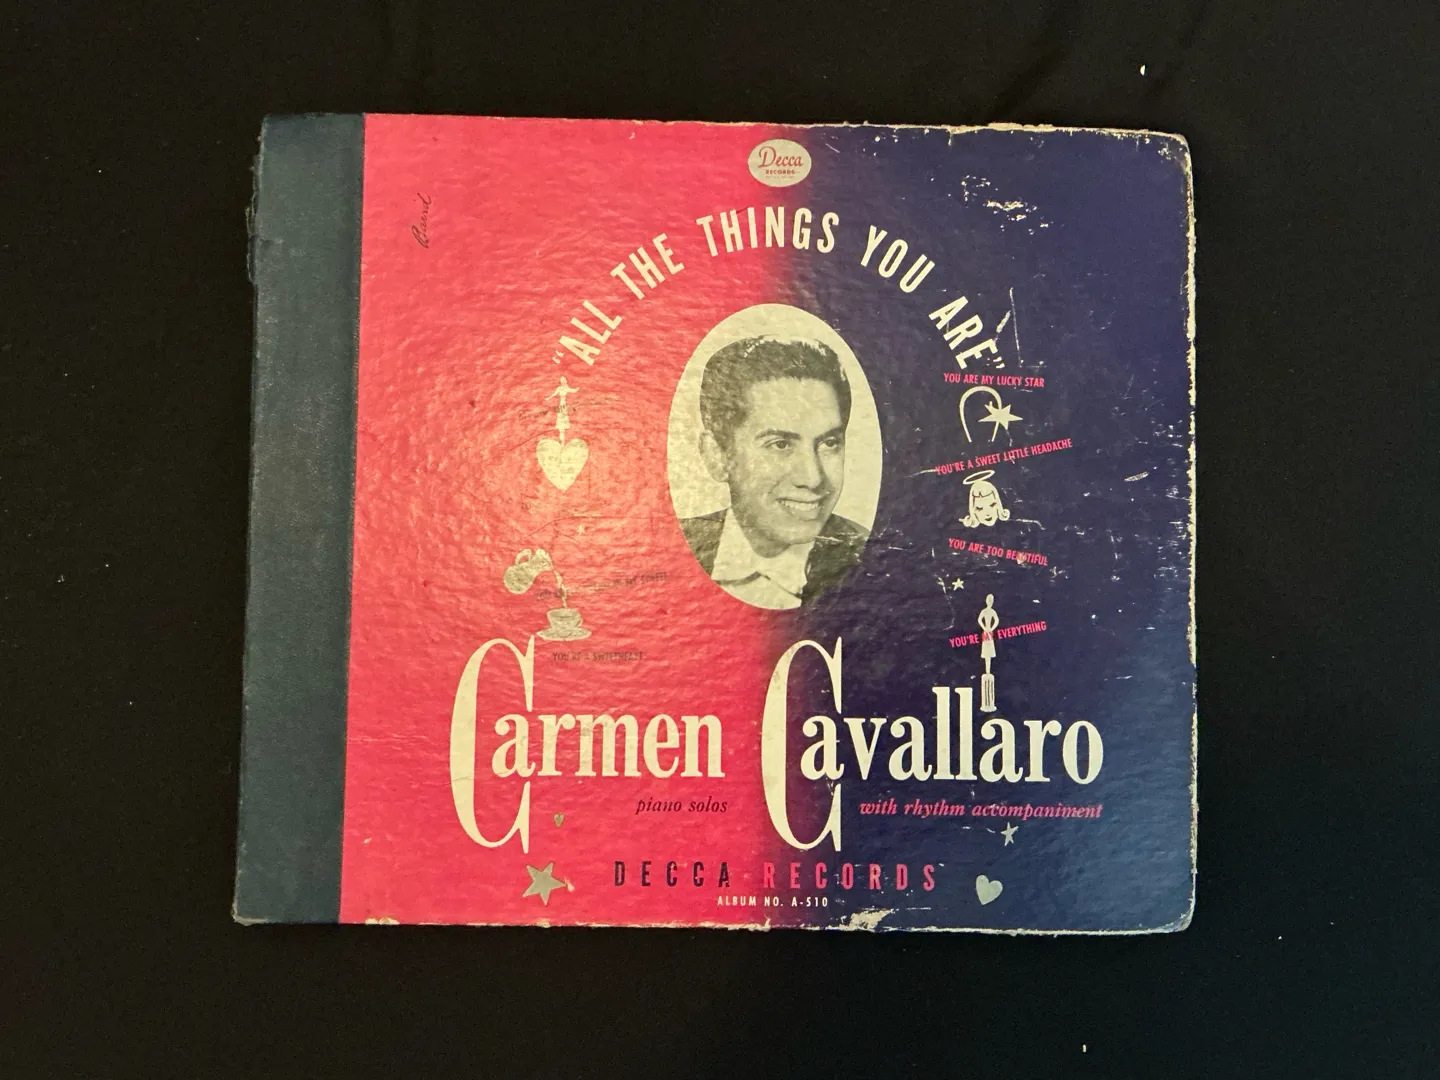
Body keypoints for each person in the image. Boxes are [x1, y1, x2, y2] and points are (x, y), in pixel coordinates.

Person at [680, 336, 869, 609]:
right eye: (780, 444)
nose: (812, 478)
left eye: (829, 443)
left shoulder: (874, 559)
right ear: (717, 456)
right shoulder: (667, 548)